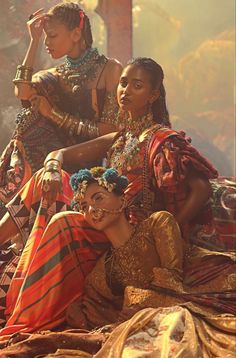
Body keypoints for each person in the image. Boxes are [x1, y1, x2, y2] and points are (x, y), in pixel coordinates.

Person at [0, 57, 234, 331]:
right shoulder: (121, 137)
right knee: (45, 177)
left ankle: (28, 316)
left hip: (131, 235)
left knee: (63, 223)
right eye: (123, 83)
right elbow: (59, 154)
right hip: (103, 221)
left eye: (137, 86)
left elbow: (201, 188)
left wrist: (173, 228)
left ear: (153, 95)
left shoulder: (162, 139)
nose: (126, 91)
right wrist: (52, 167)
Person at [0, 167, 235, 357]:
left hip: (185, 302)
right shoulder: (101, 272)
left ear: (121, 198)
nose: (92, 210)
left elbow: (172, 285)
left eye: (98, 198)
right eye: (83, 206)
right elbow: (97, 318)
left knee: (171, 329)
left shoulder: (157, 225)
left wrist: (131, 303)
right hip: (139, 323)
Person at [0, 2, 122, 215]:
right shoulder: (53, 76)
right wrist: (34, 40)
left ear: (76, 34)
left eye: (52, 36)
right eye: (45, 37)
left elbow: (111, 131)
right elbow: (22, 92)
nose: (47, 42)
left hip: (90, 164)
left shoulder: (109, 69)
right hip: (51, 166)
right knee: (28, 120)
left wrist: (53, 114)